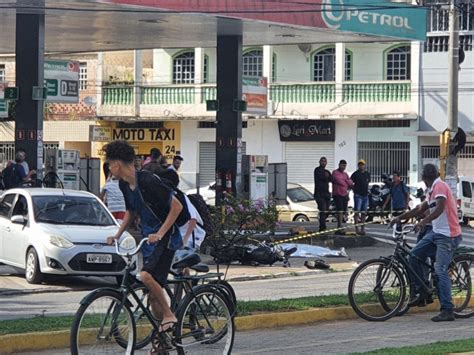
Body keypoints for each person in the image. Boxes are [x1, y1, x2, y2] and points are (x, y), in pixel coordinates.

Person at [104, 140, 189, 339]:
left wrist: (160, 232)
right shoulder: (124, 185)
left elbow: (176, 207)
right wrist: (117, 235)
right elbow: (131, 212)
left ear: (117, 164)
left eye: (109, 164)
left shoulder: (148, 181)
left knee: (145, 276)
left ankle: (170, 315)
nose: (108, 168)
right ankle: (163, 339)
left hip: (166, 238)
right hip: (149, 239)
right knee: (152, 296)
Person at [390, 164, 462, 322]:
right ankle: (423, 291)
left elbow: (440, 208)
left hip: (448, 236)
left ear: (424, 178)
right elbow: (418, 209)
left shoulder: (440, 186)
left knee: (440, 269)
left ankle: (448, 310)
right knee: (414, 257)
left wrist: (423, 222)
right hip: (436, 234)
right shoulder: (431, 190)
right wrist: (399, 218)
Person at [332, 160, 353, 235]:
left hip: (344, 194)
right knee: (339, 211)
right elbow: (338, 181)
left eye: (344, 166)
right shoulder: (335, 172)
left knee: (344, 211)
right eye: (342, 165)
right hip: (337, 194)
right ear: (339, 165)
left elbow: (350, 183)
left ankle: (341, 226)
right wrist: (346, 182)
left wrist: (346, 182)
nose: (343, 167)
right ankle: (339, 227)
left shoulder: (345, 174)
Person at [351, 160, 371, 236]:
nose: (361, 166)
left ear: (364, 165)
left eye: (362, 165)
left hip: (365, 195)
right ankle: (357, 229)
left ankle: (362, 229)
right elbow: (350, 183)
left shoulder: (367, 174)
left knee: (364, 213)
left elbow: (367, 182)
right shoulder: (355, 174)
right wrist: (354, 190)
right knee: (357, 212)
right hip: (358, 195)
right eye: (360, 165)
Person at [313, 157, 332, 232]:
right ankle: (322, 227)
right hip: (319, 194)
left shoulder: (327, 171)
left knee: (326, 211)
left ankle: (322, 221)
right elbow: (323, 177)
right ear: (319, 162)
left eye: (325, 161)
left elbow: (331, 179)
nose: (323, 163)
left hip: (326, 194)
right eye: (322, 161)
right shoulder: (317, 170)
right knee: (323, 210)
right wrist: (326, 176)